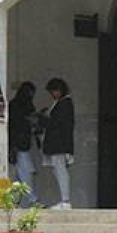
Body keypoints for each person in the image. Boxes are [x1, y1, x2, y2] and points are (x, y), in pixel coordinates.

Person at [39, 77, 75, 210]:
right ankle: (64, 199)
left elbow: (55, 123)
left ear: (59, 90)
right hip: (58, 143)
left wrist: (43, 119)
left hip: (59, 143)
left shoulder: (64, 104)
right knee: (57, 170)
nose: (52, 95)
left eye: (53, 91)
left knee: (60, 170)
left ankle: (65, 200)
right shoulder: (61, 103)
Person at [7, 83, 38, 206]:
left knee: (17, 176)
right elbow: (17, 125)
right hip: (20, 145)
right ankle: (32, 199)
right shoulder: (20, 106)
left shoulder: (15, 105)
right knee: (26, 173)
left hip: (18, 144)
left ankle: (13, 201)